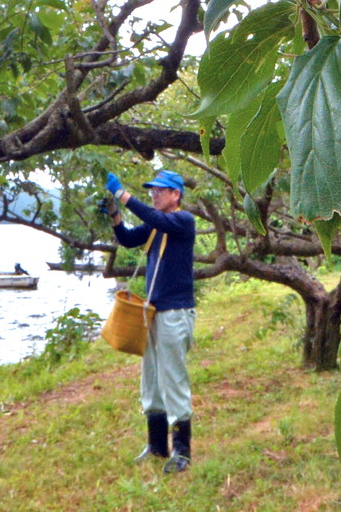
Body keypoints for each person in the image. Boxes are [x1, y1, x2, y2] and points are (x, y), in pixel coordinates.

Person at [106, 167, 198, 473]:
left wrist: (122, 193)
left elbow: (155, 218)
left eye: (160, 190)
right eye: (153, 190)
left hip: (174, 312)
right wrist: (115, 214)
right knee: (152, 378)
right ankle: (157, 445)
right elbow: (129, 239)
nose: (154, 194)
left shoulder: (182, 221)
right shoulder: (158, 226)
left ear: (176, 195)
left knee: (173, 378)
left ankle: (182, 452)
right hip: (153, 312)